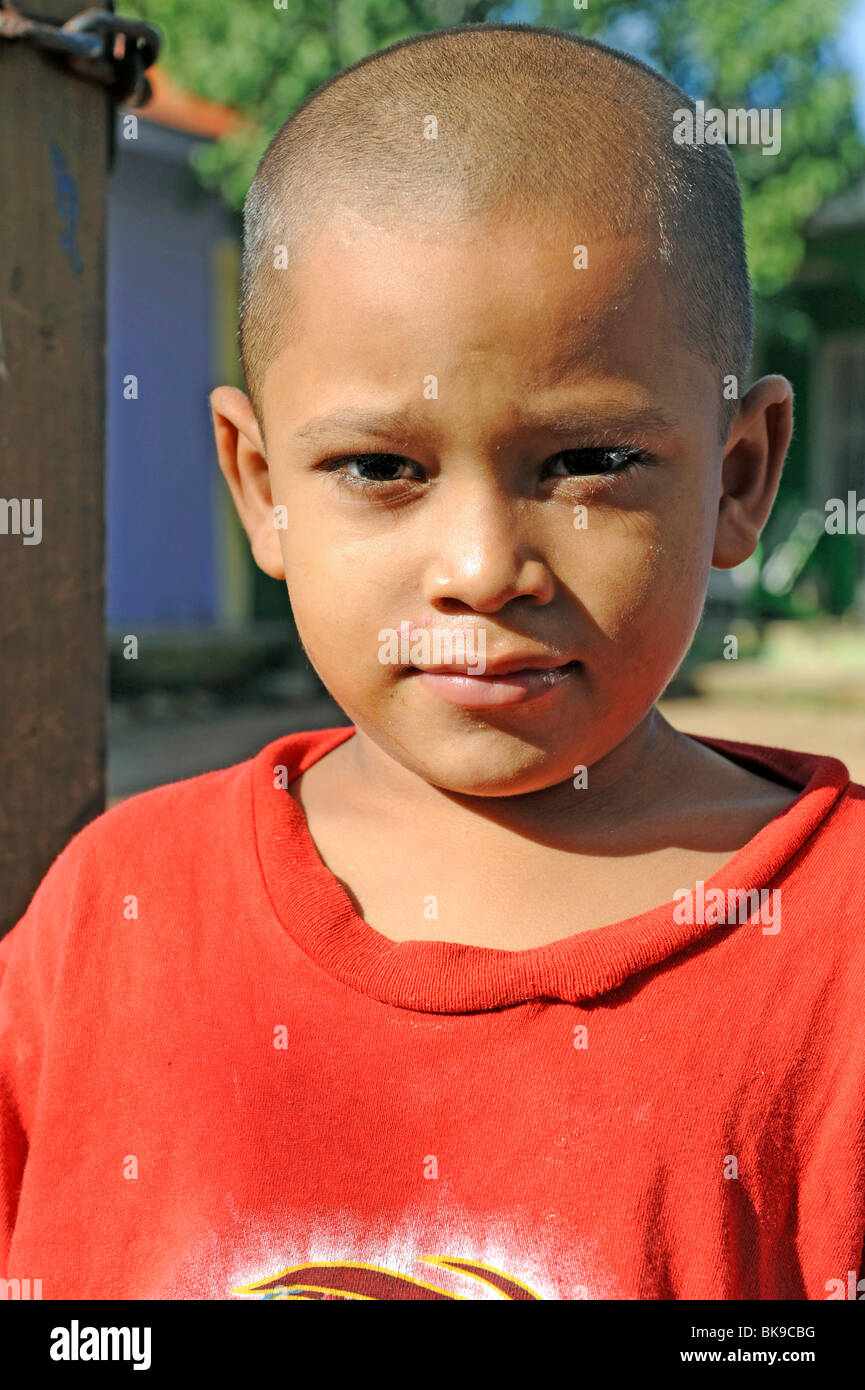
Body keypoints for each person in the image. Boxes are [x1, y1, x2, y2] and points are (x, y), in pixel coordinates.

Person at [2, 23, 863, 1302]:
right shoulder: (113, 912)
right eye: (379, 469)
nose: (478, 564)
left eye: (584, 463)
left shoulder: (837, 954)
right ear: (261, 485)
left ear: (740, 476)